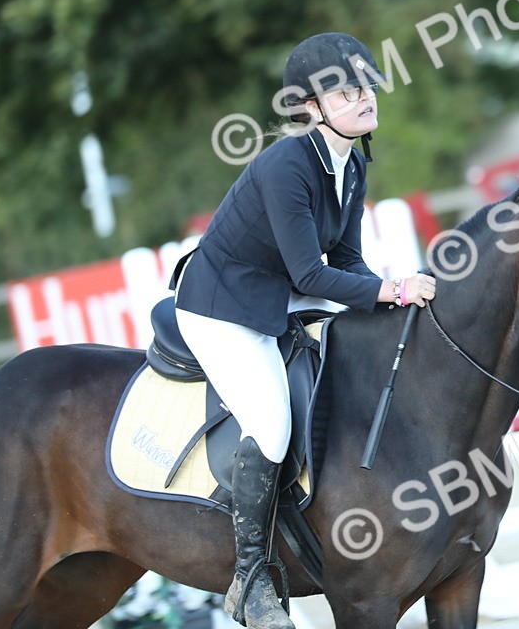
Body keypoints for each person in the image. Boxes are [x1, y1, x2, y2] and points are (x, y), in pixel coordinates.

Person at [169, 33, 436, 628]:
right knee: (270, 423)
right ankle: (250, 579)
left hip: (281, 296)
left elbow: (344, 261)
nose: (364, 97)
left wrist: (388, 304)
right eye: (345, 90)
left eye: (366, 85)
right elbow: (309, 271)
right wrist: (391, 290)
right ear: (311, 108)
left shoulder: (353, 161)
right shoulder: (287, 163)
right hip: (223, 306)